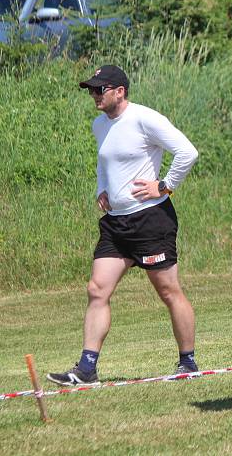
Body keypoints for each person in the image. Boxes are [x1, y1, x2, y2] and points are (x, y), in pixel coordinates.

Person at [47, 64, 199, 386]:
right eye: (91, 89)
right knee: (96, 289)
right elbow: (106, 160)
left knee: (169, 291)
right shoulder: (99, 125)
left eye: (99, 89)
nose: (94, 95)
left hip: (151, 221)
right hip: (115, 224)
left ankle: (188, 362)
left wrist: (165, 185)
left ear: (120, 91)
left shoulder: (145, 119)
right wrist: (102, 188)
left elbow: (187, 152)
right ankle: (86, 369)